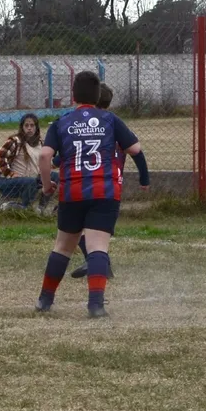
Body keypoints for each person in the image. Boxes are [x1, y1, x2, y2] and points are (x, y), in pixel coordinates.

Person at [35, 71, 149, 318]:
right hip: (105, 190)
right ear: (98, 96)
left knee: (63, 247)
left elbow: (45, 156)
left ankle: (45, 300)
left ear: (73, 95)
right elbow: (136, 149)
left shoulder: (61, 122)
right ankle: (96, 305)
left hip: (72, 190)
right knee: (98, 247)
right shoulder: (110, 119)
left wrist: (46, 187)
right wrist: (144, 179)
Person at [70, 82, 116, 280]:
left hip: (91, 183)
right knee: (94, 231)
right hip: (110, 185)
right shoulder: (112, 123)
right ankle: (99, 263)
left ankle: (98, 264)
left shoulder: (94, 127)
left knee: (80, 226)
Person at [0, 113, 55, 212]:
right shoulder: (16, 141)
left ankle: (41, 208)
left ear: (36, 127)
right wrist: (10, 173)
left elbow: (46, 162)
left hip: (33, 178)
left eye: (32, 125)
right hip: (11, 181)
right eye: (26, 125)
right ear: (22, 127)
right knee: (30, 181)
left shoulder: (41, 143)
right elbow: (0, 156)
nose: (29, 128)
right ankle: (25, 208)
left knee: (54, 176)